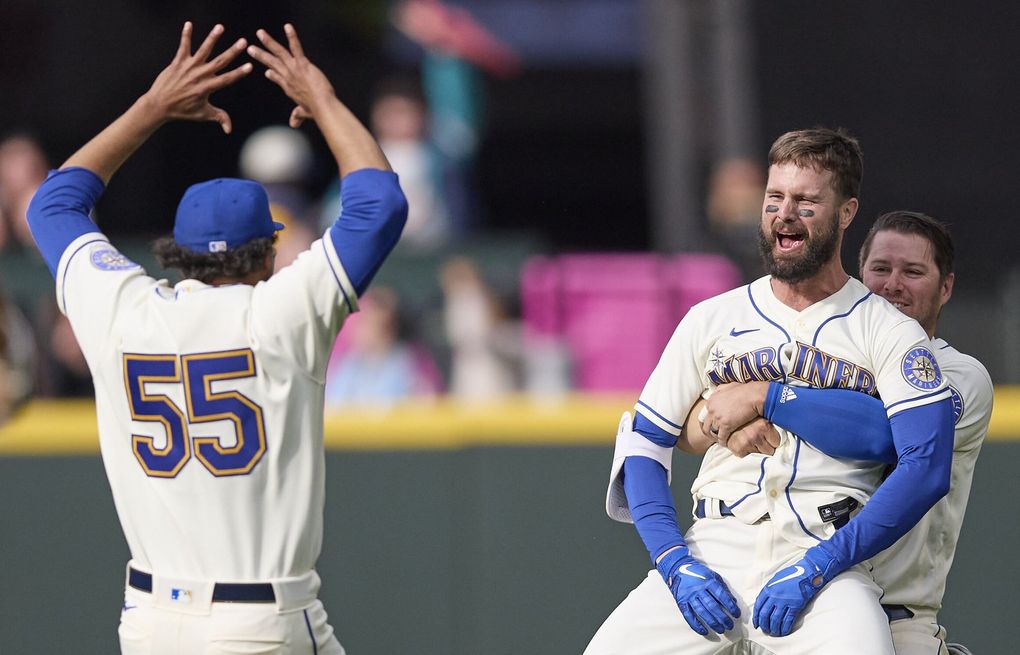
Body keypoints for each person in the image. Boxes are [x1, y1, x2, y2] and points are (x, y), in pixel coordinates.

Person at [26, 22, 407, 655]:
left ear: (177, 255)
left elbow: (54, 206)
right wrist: (323, 100)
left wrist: (153, 107)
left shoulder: (122, 309)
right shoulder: (284, 313)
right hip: (262, 623)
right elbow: (379, 204)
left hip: (151, 622)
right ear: (268, 251)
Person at [585, 128, 955, 654]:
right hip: (713, 546)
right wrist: (673, 561)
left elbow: (926, 466)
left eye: (806, 202)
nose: (785, 214)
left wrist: (823, 564)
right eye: (775, 198)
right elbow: (644, 444)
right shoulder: (712, 317)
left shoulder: (888, 329)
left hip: (828, 555)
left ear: (847, 213)